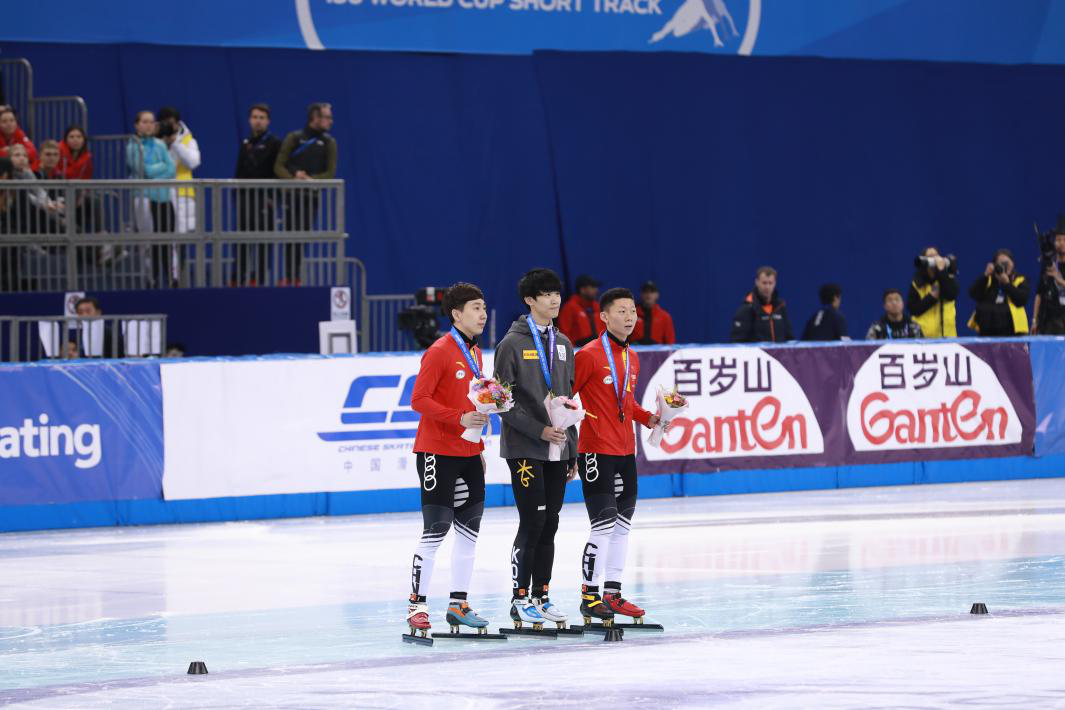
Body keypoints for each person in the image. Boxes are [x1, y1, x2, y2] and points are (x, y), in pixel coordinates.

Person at [405, 282, 494, 640]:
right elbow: (419, 400)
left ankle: (458, 604)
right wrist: (457, 419)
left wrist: (479, 447)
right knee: (436, 530)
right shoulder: (440, 351)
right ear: (456, 314)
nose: (483, 313)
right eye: (475, 307)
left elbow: (473, 403)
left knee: (469, 532)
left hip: (468, 452)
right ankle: (417, 605)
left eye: (485, 307)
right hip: (436, 452)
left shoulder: (475, 353)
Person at [493, 268, 577, 632]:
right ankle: (518, 599)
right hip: (526, 447)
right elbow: (500, 401)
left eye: (556, 292)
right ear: (529, 300)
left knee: (552, 522)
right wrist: (538, 429)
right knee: (533, 521)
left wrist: (572, 450)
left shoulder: (564, 343)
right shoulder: (511, 344)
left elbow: (570, 400)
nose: (554, 299)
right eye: (545, 294)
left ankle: (542, 596)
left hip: (558, 449)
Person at [572, 287, 662, 627]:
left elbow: (627, 404)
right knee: (603, 523)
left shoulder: (632, 357)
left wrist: (649, 418)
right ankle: (589, 595)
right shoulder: (589, 355)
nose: (629, 317)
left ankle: (612, 592)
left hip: (626, 450)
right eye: (622, 311)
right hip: (596, 450)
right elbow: (564, 400)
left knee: (622, 525)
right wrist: (567, 445)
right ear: (604, 316)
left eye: (633, 312)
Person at [274, 102, 337, 285]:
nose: (331, 121)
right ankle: (287, 277)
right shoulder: (294, 137)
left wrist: (311, 180)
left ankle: (297, 278)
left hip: (311, 198)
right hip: (291, 197)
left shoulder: (329, 143)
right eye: (327, 117)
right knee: (289, 238)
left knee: (302, 239)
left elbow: (330, 174)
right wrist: (293, 178)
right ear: (315, 118)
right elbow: (279, 166)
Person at [127, 111, 176, 286]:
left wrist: (154, 173)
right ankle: (150, 279)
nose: (149, 125)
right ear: (137, 125)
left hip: (163, 199)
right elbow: (143, 170)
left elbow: (171, 170)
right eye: (145, 122)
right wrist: (159, 168)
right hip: (143, 198)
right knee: (148, 242)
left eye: (151, 122)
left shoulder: (160, 145)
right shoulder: (133, 146)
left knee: (166, 241)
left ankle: (170, 280)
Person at [234, 103, 281, 285]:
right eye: (254, 117)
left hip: (265, 201)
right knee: (242, 241)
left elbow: (278, 172)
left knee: (262, 243)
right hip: (246, 200)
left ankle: (259, 280)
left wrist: (272, 198)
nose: (258, 121)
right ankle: (237, 278)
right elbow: (238, 171)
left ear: (268, 121)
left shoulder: (275, 143)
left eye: (261, 118)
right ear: (249, 120)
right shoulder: (246, 143)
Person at [157, 106, 200, 236]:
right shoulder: (155, 141)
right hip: (160, 194)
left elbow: (194, 162)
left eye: (171, 124)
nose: (169, 127)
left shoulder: (188, 140)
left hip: (182, 193)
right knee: (162, 235)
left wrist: (176, 143)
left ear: (177, 123)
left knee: (179, 237)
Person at [968, 249, 1029, 337]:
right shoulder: (988, 280)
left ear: (1013, 264)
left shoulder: (1020, 280)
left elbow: (1021, 300)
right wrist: (985, 275)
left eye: (1007, 263)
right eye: (1001, 263)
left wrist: (1007, 284)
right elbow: (973, 294)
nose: (1005, 266)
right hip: (987, 332)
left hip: (1012, 333)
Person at [730, 266, 794, 342]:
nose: (767, 287)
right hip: (756, 353)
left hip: (779, 354)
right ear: (757, 282)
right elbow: (737, 342)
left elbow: (789, 337)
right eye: (764, 283)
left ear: (775, 283)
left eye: (770, 283)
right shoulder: (747, 308)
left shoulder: (780, 306)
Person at [907, 247, 959, 338]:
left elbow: (951, 294)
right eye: (930, 256)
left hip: (948, 337)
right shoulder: (917, 283)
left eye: (936, 256)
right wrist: (931, 298)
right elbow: (913, 309)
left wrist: (942, 271)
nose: (935, 259)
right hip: (924, 339)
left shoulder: (948, 278)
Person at [1032, 228, 1065, 335]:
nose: (1061, 243)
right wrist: (1034, 320)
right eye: (1058, 240)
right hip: (1049, 321)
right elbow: (1039, 294)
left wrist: (1060, 281)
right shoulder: (1048, 265)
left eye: (1064, 240)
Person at [558, 274, 604, 346]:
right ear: (583, 290)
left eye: (596, 287)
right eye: (592, 287)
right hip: (578, 349)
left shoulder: (598, 307)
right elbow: (564, 332)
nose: (596, 290)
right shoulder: (569, 307)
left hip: (600, 348)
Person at [632, 281, 676, 345]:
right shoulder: (631, 315)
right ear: (641, 294)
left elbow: (670, 344)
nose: (648, 295)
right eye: (645, 292)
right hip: (634, 353)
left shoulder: (665, 317)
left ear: (657, 295)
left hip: (658, 354)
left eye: (652, 292)